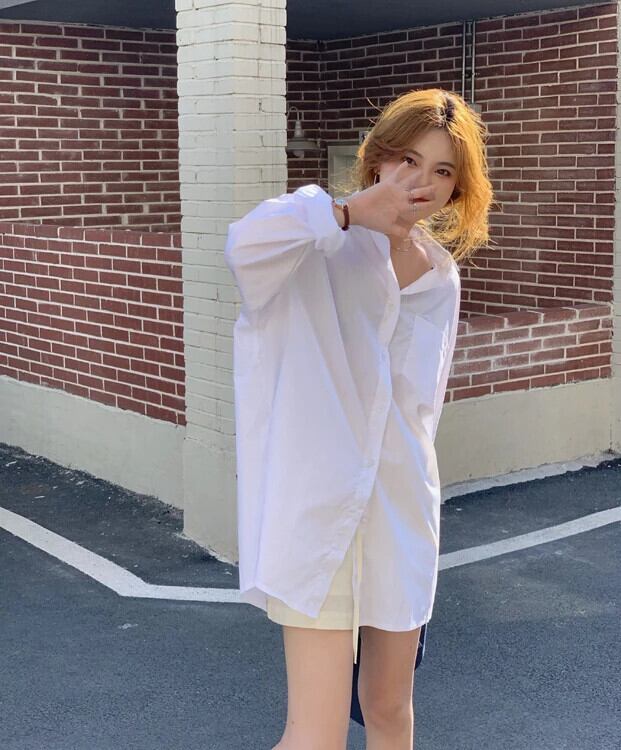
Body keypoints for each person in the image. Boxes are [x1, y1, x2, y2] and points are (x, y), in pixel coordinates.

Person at [224, 88, 494, 750]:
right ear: (377, 158)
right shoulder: (316, 239)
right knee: (314, 733)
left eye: (442, 170)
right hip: (316, 516)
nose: (421, 181)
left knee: (389, 710)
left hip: (400, 516)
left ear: (457, 188)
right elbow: (243, 245)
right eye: (408, 159)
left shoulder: (439, 276)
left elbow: (420, 407)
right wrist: (345, 213)